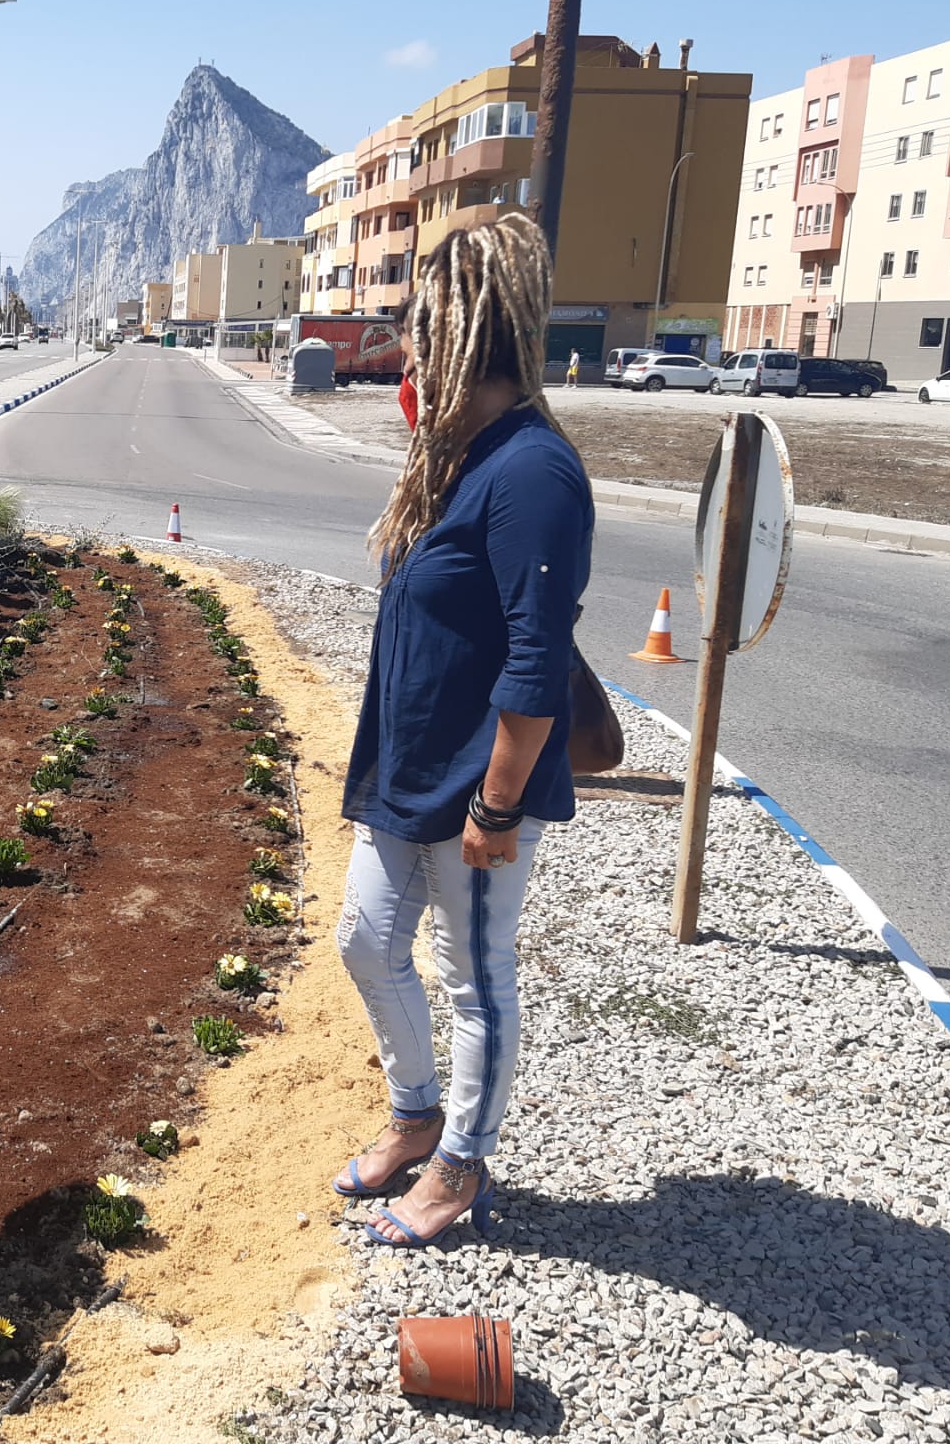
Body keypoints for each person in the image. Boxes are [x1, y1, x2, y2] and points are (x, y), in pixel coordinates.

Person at [330, 216, 593, 1249]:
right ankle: (414, 1114)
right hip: (402, 769)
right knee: (363, 939)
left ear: (467, 332)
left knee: (474, 978)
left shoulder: (532, 472)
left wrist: (496, 803)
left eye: (418, 324)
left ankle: (458, 1168)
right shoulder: (458, 455)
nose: (405, 344)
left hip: (475, 783)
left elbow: (536, 660)